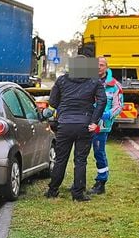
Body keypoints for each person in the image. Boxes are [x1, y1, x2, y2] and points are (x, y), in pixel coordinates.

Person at [45, 51, 105, 201]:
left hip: (65, 124)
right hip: (84, 124)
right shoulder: (94, 81)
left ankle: (53, 190)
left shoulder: (62, 81)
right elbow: (102, 101)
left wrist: (64, 110)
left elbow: (53, 102)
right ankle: (78, 193)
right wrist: (94, 121)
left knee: (61, 159)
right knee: (80, 160)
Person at [87, 56, 122, 195]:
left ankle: (101, 182)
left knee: (98, 152)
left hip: (101, 126)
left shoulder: (114, 86)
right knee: (80, 152)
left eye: (101, 65)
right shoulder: (88, 82)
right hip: (85, 122)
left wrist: (105, 115)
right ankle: (79, 182)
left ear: (106, 67)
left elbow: (118, 106)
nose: (98, 67)